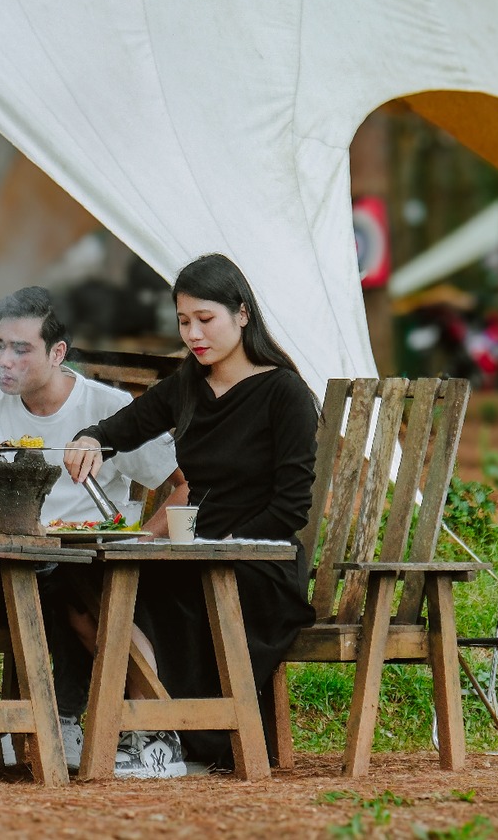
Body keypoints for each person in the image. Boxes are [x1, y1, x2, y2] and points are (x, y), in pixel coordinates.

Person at [0, 285, 187, 773]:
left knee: (66, 582)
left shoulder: (110, 409)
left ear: (58, 352)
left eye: (21, 349)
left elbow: (183, 485)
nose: (4, 361)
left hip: (78, 568)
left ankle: (68, 720)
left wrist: (145, 537)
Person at [64, 253, 318, 774]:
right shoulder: (188, 385)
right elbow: (127, 425)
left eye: (206, 319)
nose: (194, 334)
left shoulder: (284, 392)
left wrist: (216, 550)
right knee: (81, 591)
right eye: (184, 322)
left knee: (147, 594)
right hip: (196, 552)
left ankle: (157, 739)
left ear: (242, 314)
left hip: (259, 564)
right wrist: (89, 438)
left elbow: (290, 507)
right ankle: (162, 732)